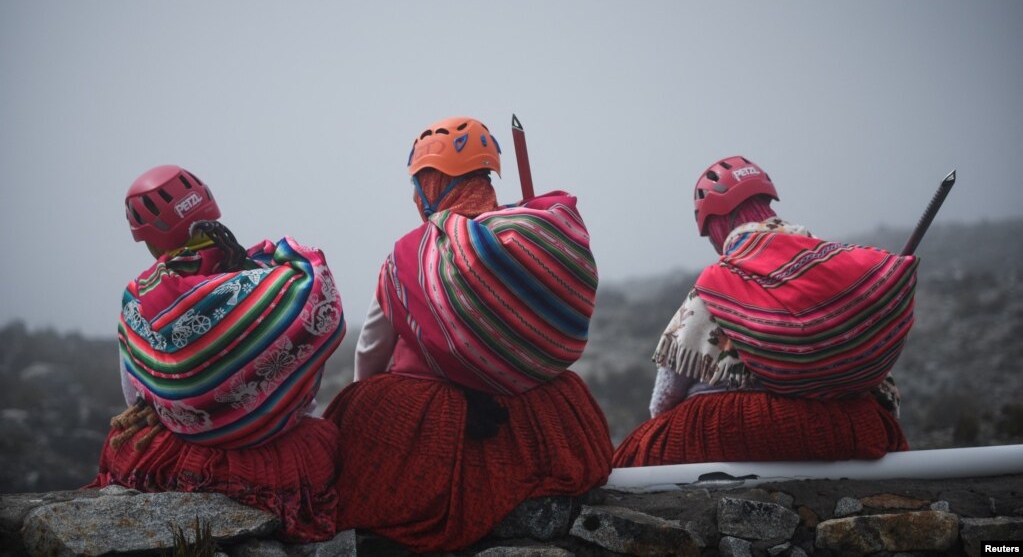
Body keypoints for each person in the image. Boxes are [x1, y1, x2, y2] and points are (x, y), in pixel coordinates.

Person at [325, 116, 613, 553]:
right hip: (535, 410)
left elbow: (370, 348)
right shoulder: (526, 236)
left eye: (419, 184)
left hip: (430, 423)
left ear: (431, 185)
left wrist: (370, 403)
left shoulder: (412, 254)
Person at [87, 165, 346, 542]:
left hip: (182, 457)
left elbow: (138, 398)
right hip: (285, 456)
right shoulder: (271, 278)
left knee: (124, 441)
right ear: (210, 210)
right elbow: (308, 367)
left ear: (151, 239)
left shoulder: (140, 298)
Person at [612, 156, 914, 467]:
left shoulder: (719, 280)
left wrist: (661, 425)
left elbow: (666, 393)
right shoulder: (828, 265)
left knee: (634, 454)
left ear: (717, 222)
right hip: (842, 422)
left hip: (735, 425)